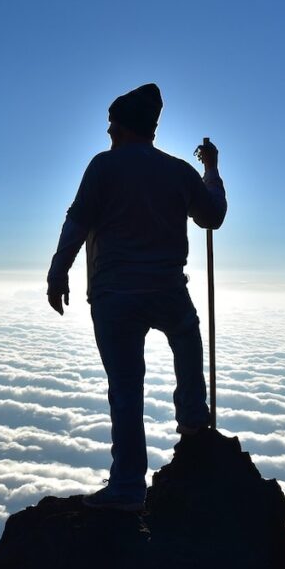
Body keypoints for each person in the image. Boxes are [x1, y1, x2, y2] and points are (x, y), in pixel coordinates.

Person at [46, 83, 226, 512]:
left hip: (113, 295)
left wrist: (58, 273)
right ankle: (194, 422)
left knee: (126, 389)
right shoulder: (179, 171)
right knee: (186, 336)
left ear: (124, 126)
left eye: (112, 123)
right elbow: (212, 216)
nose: (108, 130)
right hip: (166, 288)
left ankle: (128, 489)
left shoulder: (104, 167)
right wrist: (212, 170)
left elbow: (77, 222)